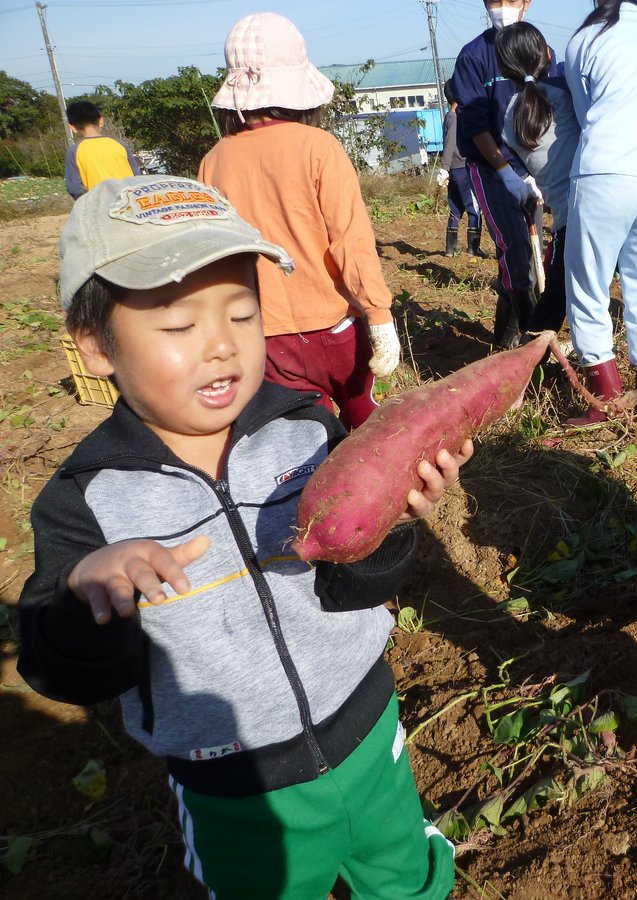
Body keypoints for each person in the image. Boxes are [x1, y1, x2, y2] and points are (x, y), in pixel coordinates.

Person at [18, 175, 464, 899]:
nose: (221, 346)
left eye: (243, 315)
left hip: (367, 729)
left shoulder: (308, 428)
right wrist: (88, 596)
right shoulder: (84, 501)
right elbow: (64, 672)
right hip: (237, 788)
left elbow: (354, 586)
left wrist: (389, 525)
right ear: (96, 345)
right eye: (178, 326)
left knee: (406, 876)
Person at [197, 12, 400, 430]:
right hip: (336, 329)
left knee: (310, 438)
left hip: (265, 338)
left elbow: (214, 254)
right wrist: (379, 316)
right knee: (367, 424)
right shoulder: (318, 147)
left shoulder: (213, 161)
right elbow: (351, 241)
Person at [562, 0, 637, 425]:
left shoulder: (584, 39)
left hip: (602, 174)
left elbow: (582, 113)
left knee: (589, 289)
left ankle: (606, 401)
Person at [453, 0, 546, 349]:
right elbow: (476, 124)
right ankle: (529, 336)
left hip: (532, 168)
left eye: (511, 0)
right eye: (495, 1)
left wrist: (540, 171)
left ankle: (505, 337)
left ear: (526, 4)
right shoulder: (473, 56)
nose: (502, 8)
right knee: (515, 249)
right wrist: (506, 171)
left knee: (530, 253)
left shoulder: (537, 47)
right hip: (492, 167)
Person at [496, 21, 580, 338]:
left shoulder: (509, 119)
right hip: (598, 204)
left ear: (505, 71)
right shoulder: (567, 91)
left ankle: (525, 376)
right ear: (547, 54)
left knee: (553, 305)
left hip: (566, 219)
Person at [437, 79, 489, 259]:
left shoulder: (449, 115)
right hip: (462, 167)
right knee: (474, 208)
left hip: (453, 168)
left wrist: (446, 168)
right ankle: (473, 248)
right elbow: (449, 143)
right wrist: (444, 167)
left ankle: (450, 249)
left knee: (456, 207)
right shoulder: (455, 116)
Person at [64, 100, 141, 199]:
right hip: (129, 203)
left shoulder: (74, 152)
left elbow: (75, 189)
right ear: (101, 121)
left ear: (72, 127)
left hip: (99, 206)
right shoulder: (120, 145)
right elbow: (137, 177)